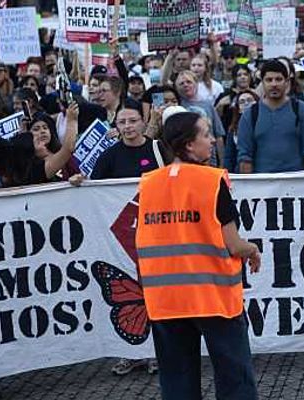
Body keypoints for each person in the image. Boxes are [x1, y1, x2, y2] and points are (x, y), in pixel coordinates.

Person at [136, 110, 262, 400]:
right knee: (234, 378)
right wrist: (252, 250)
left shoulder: (148, 183)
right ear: (189, 145)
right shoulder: (211, 181)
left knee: (177, 381)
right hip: (213, 296)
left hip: (165, 299)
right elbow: (233, 245)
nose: (211, 140)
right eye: (205, 134)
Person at [236, 60, 304, 173]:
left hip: (297, 184)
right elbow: (245, 157)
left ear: (287, 82)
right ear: (262, 83)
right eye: (269, 80)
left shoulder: (302, 111)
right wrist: (249, 187)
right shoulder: (250, 115)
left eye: (278, 79)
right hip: (263, 184)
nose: (274, 84)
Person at [91, 106, 164, 180]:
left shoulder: (160, 148)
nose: (127, 126)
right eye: (122, 122)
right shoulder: (108, 156)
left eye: (133, 121)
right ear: (116, 124)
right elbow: (94, 186)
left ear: (143, 121)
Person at [175, 70, 229, 168]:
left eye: (189, 82)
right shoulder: (177, 107)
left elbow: (218, 135)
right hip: (186, 160)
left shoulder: (208, 105)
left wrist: (222, 162)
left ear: (196, 84)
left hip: (210, 160)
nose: (185, 85)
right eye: (181, 83)